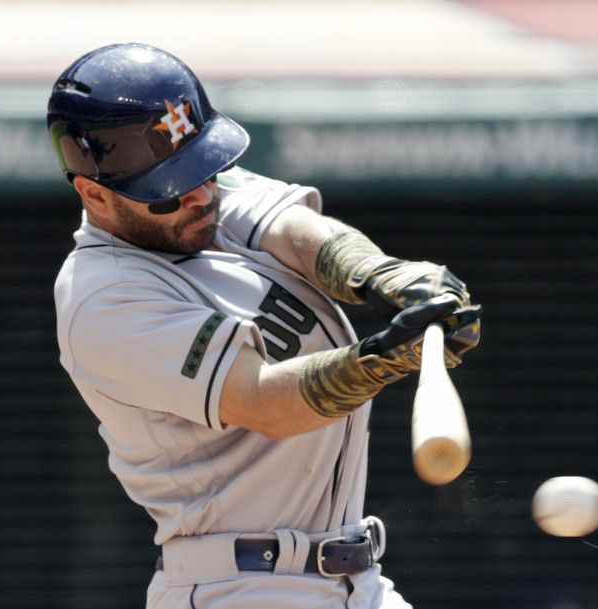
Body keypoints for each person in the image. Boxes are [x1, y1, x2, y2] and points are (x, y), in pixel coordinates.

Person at [49, 42, 481, 609]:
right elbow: (263, 401)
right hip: (242, 585)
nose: (202, 194)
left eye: (204, 169)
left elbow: (298, 233)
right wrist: (385, 358)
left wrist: (382, 277)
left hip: (355, 581)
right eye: (172, 190)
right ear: (94, 195)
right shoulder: (101, 297)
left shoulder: (197, 198)